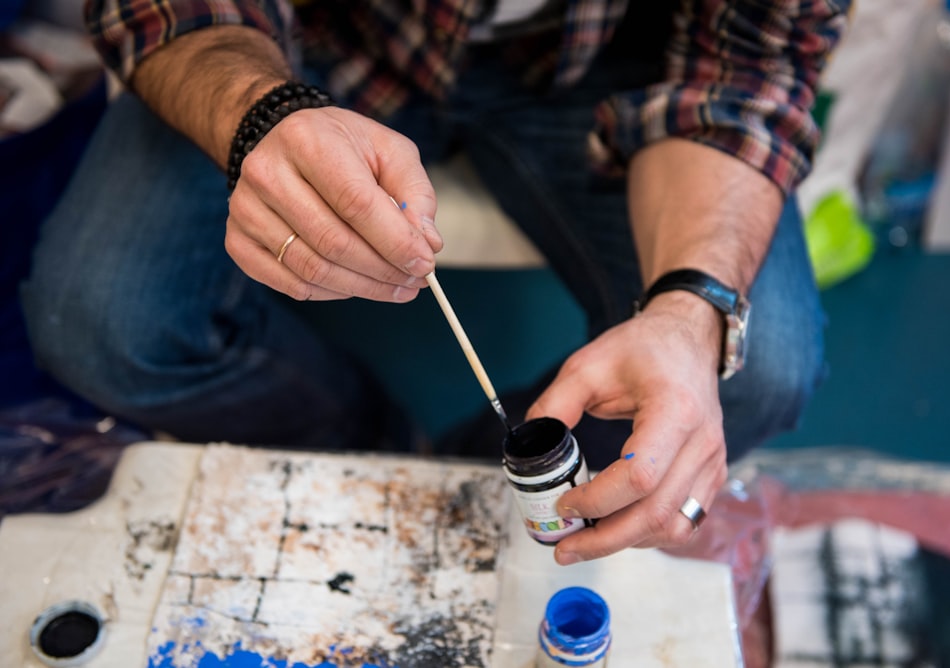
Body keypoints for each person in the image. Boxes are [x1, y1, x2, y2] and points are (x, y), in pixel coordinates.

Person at [21, 0, 850, 566]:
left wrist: (689, 312)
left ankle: (472, 474)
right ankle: (372, 445)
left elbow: (748, 70)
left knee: (751, 366)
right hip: (309, 39)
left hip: (606, 67)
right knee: (97, 320)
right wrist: (259, 114)